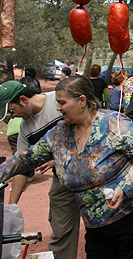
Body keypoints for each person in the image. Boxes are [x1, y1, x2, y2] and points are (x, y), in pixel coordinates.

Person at [0, 76, 133, 258]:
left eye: (62, 103)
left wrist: (125, 187)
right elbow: (26, 159)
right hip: (96, 224)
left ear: (82, 101)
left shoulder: (112, 123)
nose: (58, 108)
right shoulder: (59, 134)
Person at [0, 80, 80, 259]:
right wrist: (12, 205)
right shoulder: (25, 129)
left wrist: (58, 157)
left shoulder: (58, 102)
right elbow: (21, 166)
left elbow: (85, 130)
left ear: (23, 100)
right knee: (61, 229)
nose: (12, 117)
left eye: (12, 111)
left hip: (90, 172)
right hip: (62, 180)